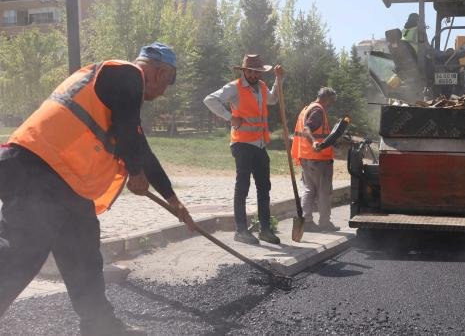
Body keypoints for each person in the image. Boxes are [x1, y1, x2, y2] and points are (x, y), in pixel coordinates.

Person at [0, 42, 195, 335]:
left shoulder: (121, 96)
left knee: (84, 258)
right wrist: (135, 171)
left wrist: (173, 199)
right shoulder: (127, 75)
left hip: (66, 183)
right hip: (37, 169)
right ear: (158, 71)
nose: (165, 91)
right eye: (167, 81)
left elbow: (141, 148)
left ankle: (100, 326)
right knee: (21, 255)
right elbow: (129, 135)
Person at [204, 55, 282, 245]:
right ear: (244, 71)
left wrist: (279, 79)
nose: (255, 74)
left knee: (264, 188)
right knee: (243, 187)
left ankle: (265, 230)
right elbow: (209, 100)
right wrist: (230, 117)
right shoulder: (234, 87)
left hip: (260, 145)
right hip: (242, 144)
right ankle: (241, 231)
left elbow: (272, 100)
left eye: (258, 72)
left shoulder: (262, 86)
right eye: (252, 71)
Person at [292, 87, 339, 232]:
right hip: (318, 158)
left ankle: (306, 222)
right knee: (324, 191)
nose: (331, 104)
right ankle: (324, 223)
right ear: (326, 98)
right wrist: (314, 142)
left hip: (306, 156)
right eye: (331, 101)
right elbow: (307, 129)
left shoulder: (307, 108)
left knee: (309, 189)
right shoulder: (318, 110)